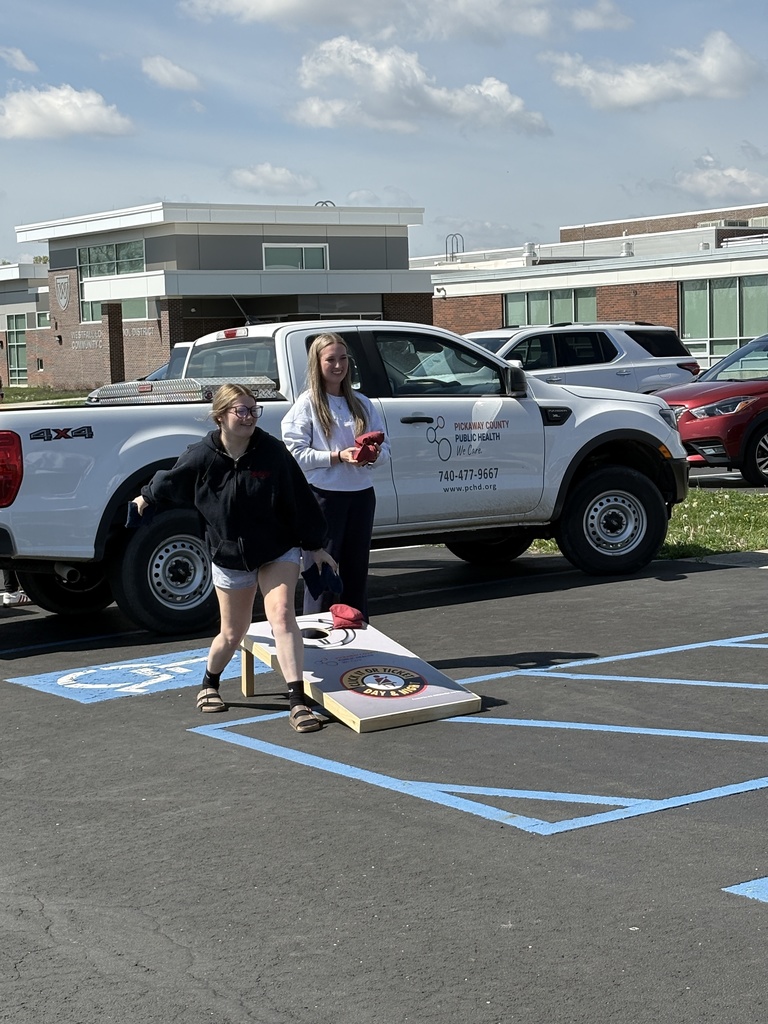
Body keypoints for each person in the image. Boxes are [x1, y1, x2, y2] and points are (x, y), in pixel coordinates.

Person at [132, 383, 337, 733]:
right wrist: (145, 498)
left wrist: (316, 545)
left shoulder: (272, 453)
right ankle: (209, 683)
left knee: (282, 616)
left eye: (253, 410)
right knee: (232, 631)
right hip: (227, 554)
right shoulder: (202, 455)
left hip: (277, 547)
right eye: (241, 410)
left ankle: (297, 701)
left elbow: (300, 499)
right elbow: (170, 480)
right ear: (220, 416)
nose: (249, 417)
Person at [281, 332, 390, 621]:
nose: (339, 365)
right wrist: (336, 456)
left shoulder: (363, 404)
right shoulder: (307, 405)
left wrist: (374, 455)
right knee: (323, 575)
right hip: (324, 499)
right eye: (331, 359)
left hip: (361, 496)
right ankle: (316, 646)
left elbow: (386, 448)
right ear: (317, 363)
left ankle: (359, 638)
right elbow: (295, 455)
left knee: (356, 573)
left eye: (343, 358)